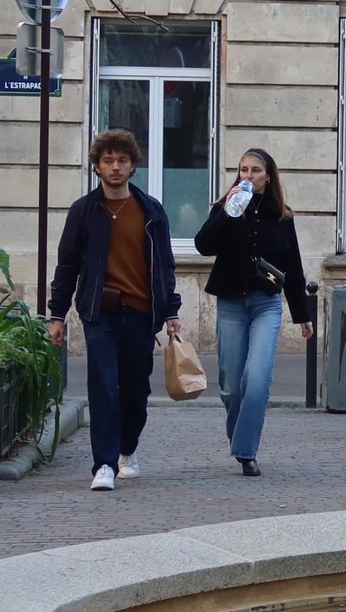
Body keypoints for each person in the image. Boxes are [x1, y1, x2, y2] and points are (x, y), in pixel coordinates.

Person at [47, 129, 182, 493]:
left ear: (133, 166)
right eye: (108, 161)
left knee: (136, 393)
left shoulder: (151, 211)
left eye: (122, 160)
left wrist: (171, 311)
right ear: (97, 166)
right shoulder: (84, 211)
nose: (115, 167)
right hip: (99, 313)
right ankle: (104, 464)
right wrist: (56, 315)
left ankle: (127, 449)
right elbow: (67, 266)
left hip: (140, 313)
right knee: (104, 386)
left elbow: (165, 265)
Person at [194, 147, 311, 478]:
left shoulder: (282, 215)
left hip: (266, 304)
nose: (248, 176)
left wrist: (302, 314)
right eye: (243, 170)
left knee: (256, 380)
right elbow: (204, 246)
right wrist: (227, 212)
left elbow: (294, 266)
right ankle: (239, 437)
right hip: (231, 303)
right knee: (232, 386)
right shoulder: (226, 209)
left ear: (268, 176)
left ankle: (247, 451)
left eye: (255, 171)